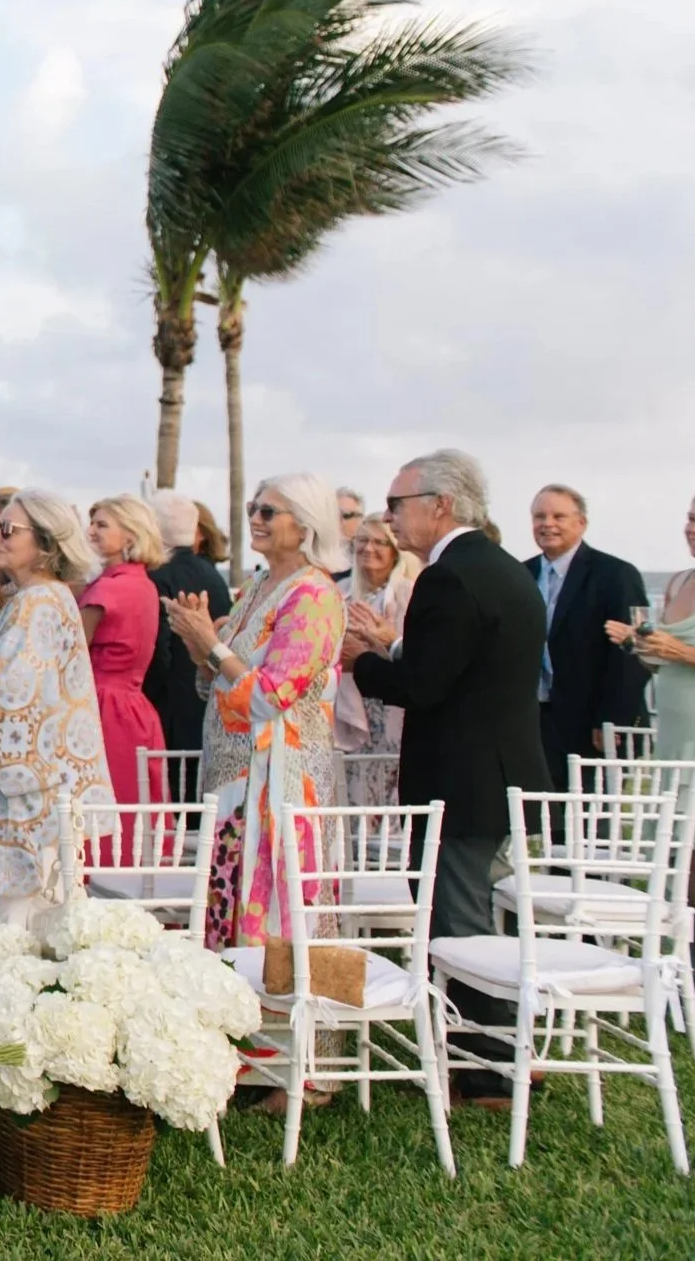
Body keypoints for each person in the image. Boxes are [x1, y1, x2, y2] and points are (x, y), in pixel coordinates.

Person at [342, 449, 548, 1107]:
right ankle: (488, 1049)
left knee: (464, 925)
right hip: (498, 769)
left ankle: (489, 1066)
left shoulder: (448, 576)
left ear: (442, 504)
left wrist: (362, 663)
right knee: (474, 917)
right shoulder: (505, 570)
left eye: (398, 504)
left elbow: (427, 687)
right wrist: (393, 644)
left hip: (465, 779)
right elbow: (464, 662)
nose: (391, 515)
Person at [164, 474, 345, 951]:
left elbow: (268, 696)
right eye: (252, 508)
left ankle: (276, 1019)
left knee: (268, 933)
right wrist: (198, 646)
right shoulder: (258, 585)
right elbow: (219, 682)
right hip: (234, 779)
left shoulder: (314, 595)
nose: (255, 519)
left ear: (305, 524)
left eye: (268, 512)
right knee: (224, 915)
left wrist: (212, 645)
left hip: (279, 783)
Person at [0, 491, 114, 926]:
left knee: (22, 934)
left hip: (29, 805)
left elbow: (5, 716)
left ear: (46, 544)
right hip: (41, 802)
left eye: (8, 529)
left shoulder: (36, 604)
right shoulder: (43, 598)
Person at [524, 484, 652, 783]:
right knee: (548, 817)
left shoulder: (616, 574)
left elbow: (631, 652)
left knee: (594, 819)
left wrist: (611, 720)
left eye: (559, 516)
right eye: (539, 516)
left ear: (581, 523)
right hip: (537, 719)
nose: (548, 524)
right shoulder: (521, 574)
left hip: (594, 723)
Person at [82, 494, 170, 850]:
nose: (90, 531)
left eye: (101, 524)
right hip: (133, 708)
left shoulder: (109, 587)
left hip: (100, 709)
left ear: (130, 536)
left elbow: (70, 650)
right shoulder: (142, 583)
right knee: (132, 816)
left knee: (100, 813)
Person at [336, 514, 420, 807]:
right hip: (348, 701)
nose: (369, 548)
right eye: (363, 541)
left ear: (395, 550)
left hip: (389, 704)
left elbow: (415, 649)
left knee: (388, 786)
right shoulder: (340, 592)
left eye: (379, 542)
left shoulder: (408, 592)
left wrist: (382, 639)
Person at [144, 490, 232, 756]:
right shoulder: (212, 575)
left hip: (171, 710)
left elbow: (159, 653)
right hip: (209, 705)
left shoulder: (156, 578)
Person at [611, 493, 695, 759]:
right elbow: (660, 665)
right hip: (674, 727)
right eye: (691, 519)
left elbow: (677, 653)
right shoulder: (678, 582)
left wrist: (679, 650)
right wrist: (638, 646)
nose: (693, 529)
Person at [332, 487, 365, 581]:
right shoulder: (315, 552)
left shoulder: (368, 552)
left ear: (360, 519)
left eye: (345, 515)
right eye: (333, 514)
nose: (337, 520)